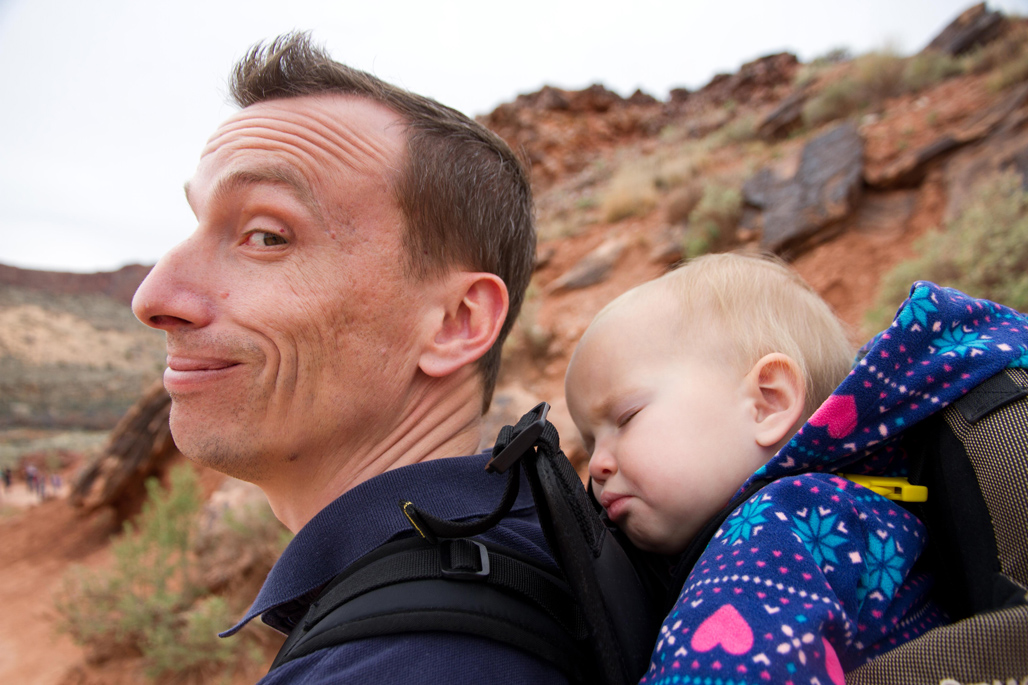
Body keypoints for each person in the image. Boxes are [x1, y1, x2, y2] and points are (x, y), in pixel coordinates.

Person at [132, 32, 566, 683]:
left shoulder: (405, 662)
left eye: (266, 235)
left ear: (456, 322)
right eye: (196, 223)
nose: (153, 297)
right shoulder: (523, 545)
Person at [564, 253, 951, 684]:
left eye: (625, 418)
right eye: (590, 441)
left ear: (769, 401)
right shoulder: (848, 509)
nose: (597, 465)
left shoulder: (771, 537)